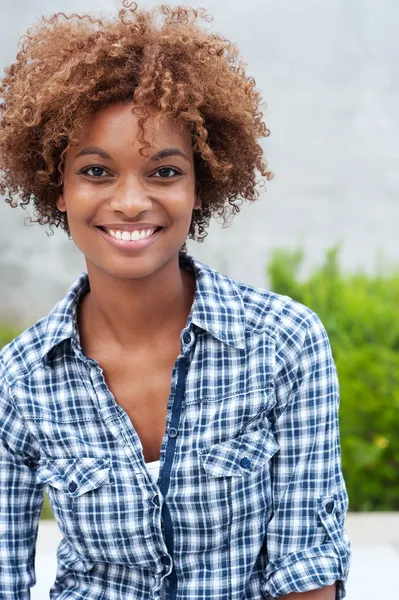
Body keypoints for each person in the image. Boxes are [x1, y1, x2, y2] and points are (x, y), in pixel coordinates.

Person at [0, 2, 350, 599]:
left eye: (163, 172)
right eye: (96, 171)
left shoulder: (285, 343)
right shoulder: (20, 380)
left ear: (199, 185)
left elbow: (308, 570)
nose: (131, 202)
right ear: (57, 187)